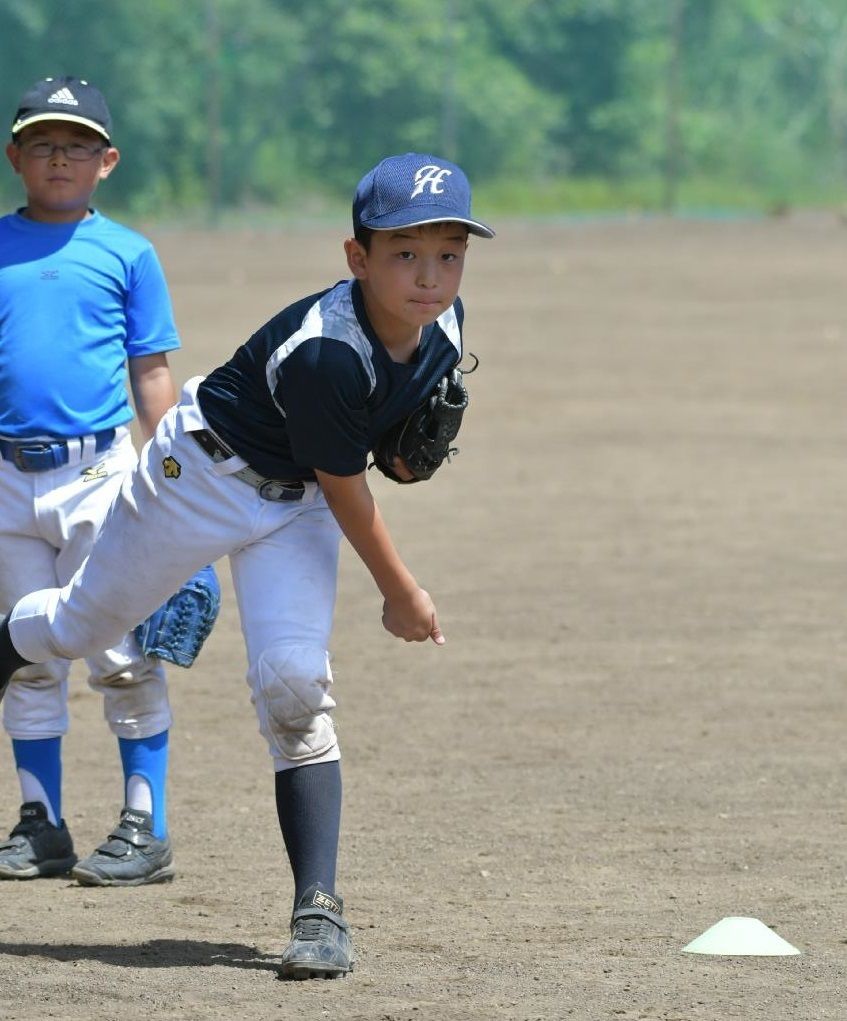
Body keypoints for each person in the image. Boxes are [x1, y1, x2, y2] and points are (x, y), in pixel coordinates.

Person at [0, 151, 494, 978]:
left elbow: (380, 461)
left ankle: (317, 911)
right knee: (85, 625)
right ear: (356, 257)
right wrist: (401, 592)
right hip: (198, 477)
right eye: (404, 252)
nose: (429, 276)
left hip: (292, 503)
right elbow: (346, 486)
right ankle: (11, 635)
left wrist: (407, 454)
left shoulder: (445, 325)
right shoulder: (324, 352)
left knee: (296, 685)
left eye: (448, 253)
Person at [0, 77, 180, 886]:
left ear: (107, 160)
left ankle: (145, 821)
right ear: (15, 157)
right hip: (4, 478)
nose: (59, 156)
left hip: (99, 474)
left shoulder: (127, 253)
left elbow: (151, 372)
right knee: (25, 653)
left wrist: (173, 482)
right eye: (42, 141)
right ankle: (42, 823)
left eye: (76, 143)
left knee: (119, 649)